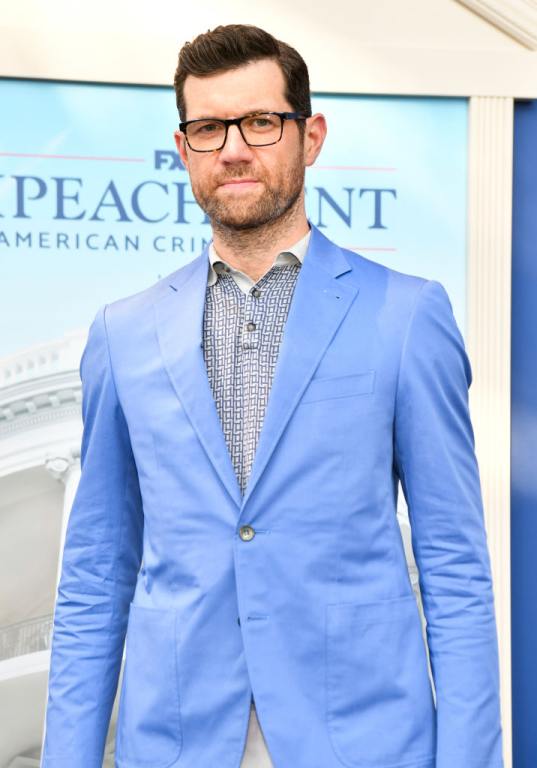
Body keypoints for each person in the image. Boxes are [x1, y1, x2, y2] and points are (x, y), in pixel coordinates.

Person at [41, 23, 504, 768]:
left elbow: (453, 565)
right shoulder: (122, 334)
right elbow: (96, 575)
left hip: (363, 741)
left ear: (309, 135)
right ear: (183, 145)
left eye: (259, 122)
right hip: (176, 741)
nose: (233, 148)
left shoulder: (405, 317)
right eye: (207, 127)